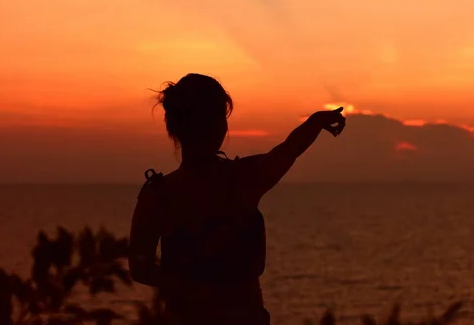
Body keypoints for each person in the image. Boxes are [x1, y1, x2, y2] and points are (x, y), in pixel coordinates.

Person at [129, 73, 346, 325]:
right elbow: (288, 150)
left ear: (174, 128)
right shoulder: (242, 179)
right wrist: (316, 122)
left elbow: (140, 266)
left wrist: (184, 286)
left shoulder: (158, 193)